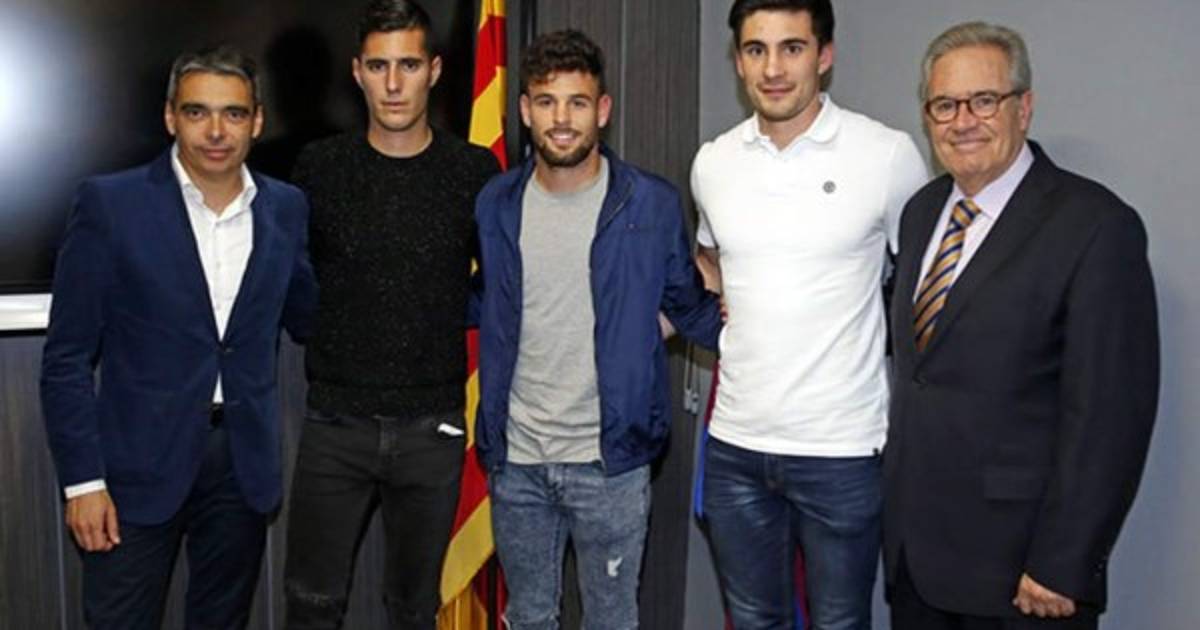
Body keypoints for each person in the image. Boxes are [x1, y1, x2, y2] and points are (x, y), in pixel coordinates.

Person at [883, 21, 1159, 630]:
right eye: (945, 105)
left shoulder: (1095, 227)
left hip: (1024, 575)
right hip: (917, 561)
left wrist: (1065, 562)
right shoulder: (921, 214)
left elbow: (1110, 416)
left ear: (1024, 107)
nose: (963, 121)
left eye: (984, 101)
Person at [39, 45, 317, 630]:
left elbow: (309, 316)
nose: (216, 131)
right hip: (133, 472)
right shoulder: (110, 204)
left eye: (233, 114)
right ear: (171, 117)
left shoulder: (286, 208)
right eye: (197, 112)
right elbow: (66, 358)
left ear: (257, 121)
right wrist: (83, 483)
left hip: (242, 468)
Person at [473, 29, 723, 630]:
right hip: (518, 459)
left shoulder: (649, 203)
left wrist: (753, 321)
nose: (562, 119)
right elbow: (483, 303)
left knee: (612, 620)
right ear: (525, 110)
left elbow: (687, 304)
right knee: (528, 618)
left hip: (611, 463)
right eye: (547, 101)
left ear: (603, 110)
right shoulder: (495, 203)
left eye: (577, 102)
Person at [689, 0, 928, 627]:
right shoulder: (713, 163)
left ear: (824, 56)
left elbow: (923, 282)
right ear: (738, 61)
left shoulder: (887, 156)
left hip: (842, 450)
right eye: (756, 49)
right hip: (736, 447)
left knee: (840, 623)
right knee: (752, 620)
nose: (773, 69)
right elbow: (710, 260)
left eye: (791, 48)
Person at [280, 1, 500, 628]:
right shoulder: (319, 168)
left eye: (409, 65)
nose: (395, 83)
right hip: (335, 424)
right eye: (379, 66)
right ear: (357, 72)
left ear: (435, 70)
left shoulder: (473, 171)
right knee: (311, 606)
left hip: (434, 428)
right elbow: (294, 278)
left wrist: (439, 313)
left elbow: (499, 284)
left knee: (413, 609)